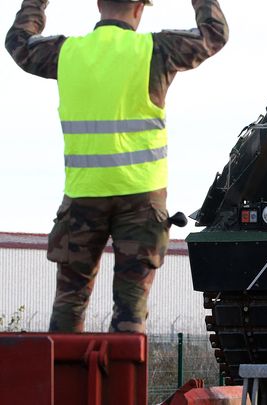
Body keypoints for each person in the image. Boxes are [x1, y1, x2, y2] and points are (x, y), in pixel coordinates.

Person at [6, 0, 229, 333]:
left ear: (98, 4)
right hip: (142, 199)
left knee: (68, 305)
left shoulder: (68, 53)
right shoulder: (156, 49)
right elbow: (214, 34)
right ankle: (122, 384)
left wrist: (36, 3)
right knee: (130, 311)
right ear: (140, 7)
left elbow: (19, 43)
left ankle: (63, 384)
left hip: (83, 196)